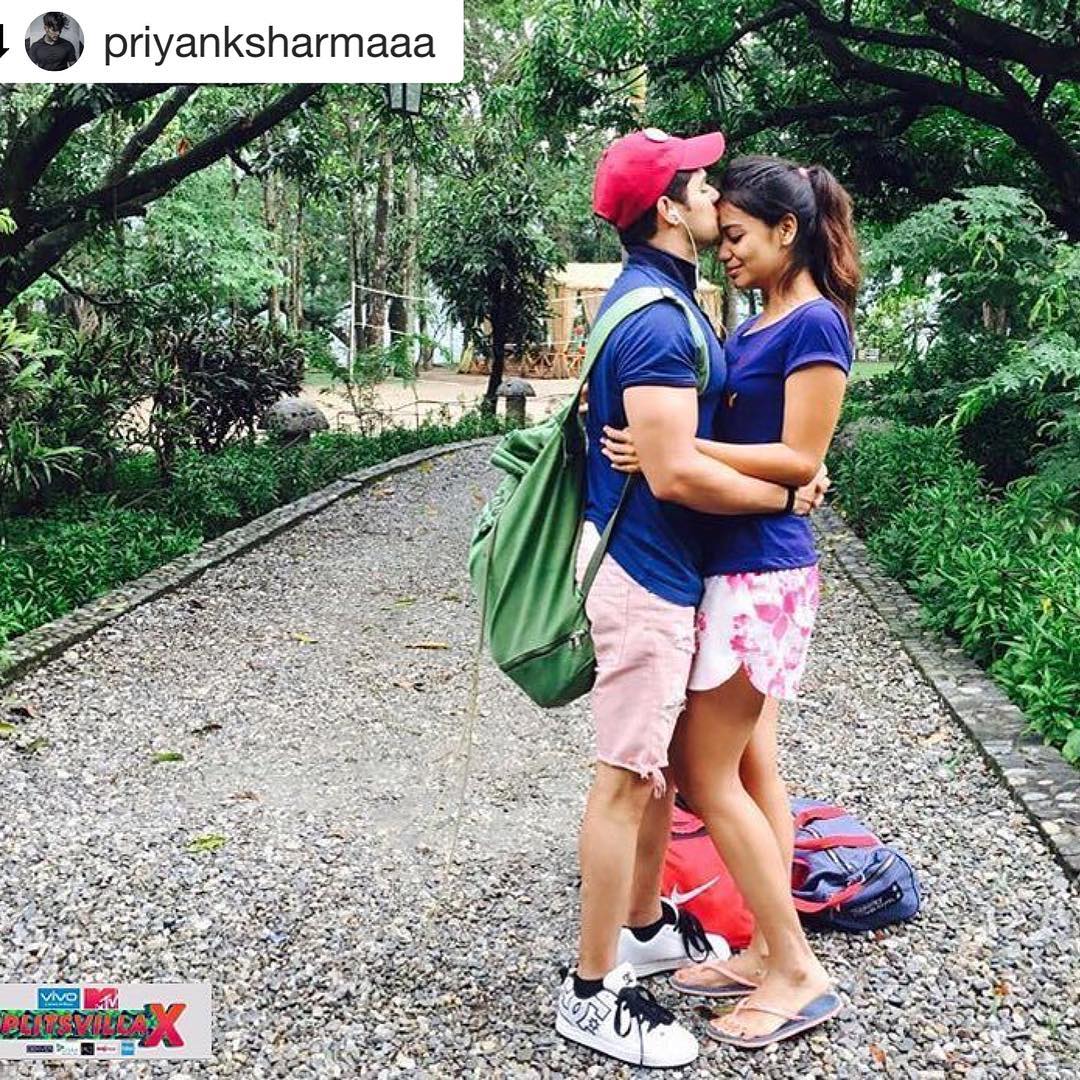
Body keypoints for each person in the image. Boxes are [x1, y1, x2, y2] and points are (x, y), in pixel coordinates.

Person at [555, 131, 828, 1069]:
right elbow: (673, 473)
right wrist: (785, 495)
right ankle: (593, 993)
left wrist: (777, 479)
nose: (717, 194)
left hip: (675, 571)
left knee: (670, 773)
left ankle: (642, 930)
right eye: (702, 184)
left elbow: (687, 452)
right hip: (646, 574)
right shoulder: (662, 321)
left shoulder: (673, 301)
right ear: (669, 209)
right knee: (628, 778)